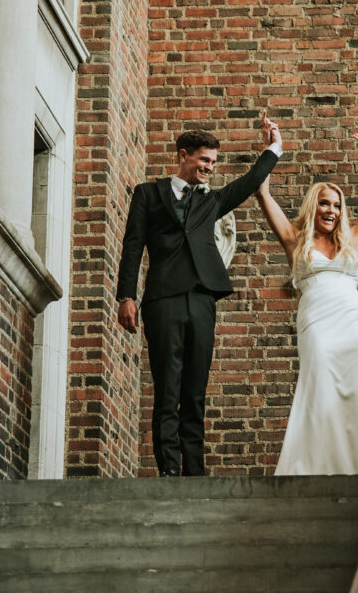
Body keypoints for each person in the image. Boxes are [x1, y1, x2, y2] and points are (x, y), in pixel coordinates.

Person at [117, 116, 283, 476]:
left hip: (203, 299)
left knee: (195, 388)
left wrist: (274, 147)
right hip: (162, 300)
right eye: (205, 160)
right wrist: (126, 296)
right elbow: (132, 246)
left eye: (214, 162)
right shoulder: (148, 194)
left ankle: (194, 472)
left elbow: (251, 182)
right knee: (167, 386)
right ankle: (168, 470)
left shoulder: (213, 201)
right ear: (184, 156)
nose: (210, 168)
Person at [254, 122, 358, 475]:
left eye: (336, 205)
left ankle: (353, 470)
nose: (331, 210)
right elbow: (262, 194)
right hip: (316, 322)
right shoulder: (294, 239)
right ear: (313, 206)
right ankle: (309, 469)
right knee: (317, 387)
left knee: (353, 396)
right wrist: (272, 148)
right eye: (324, 203)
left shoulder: (356, 238)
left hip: (353, 323)